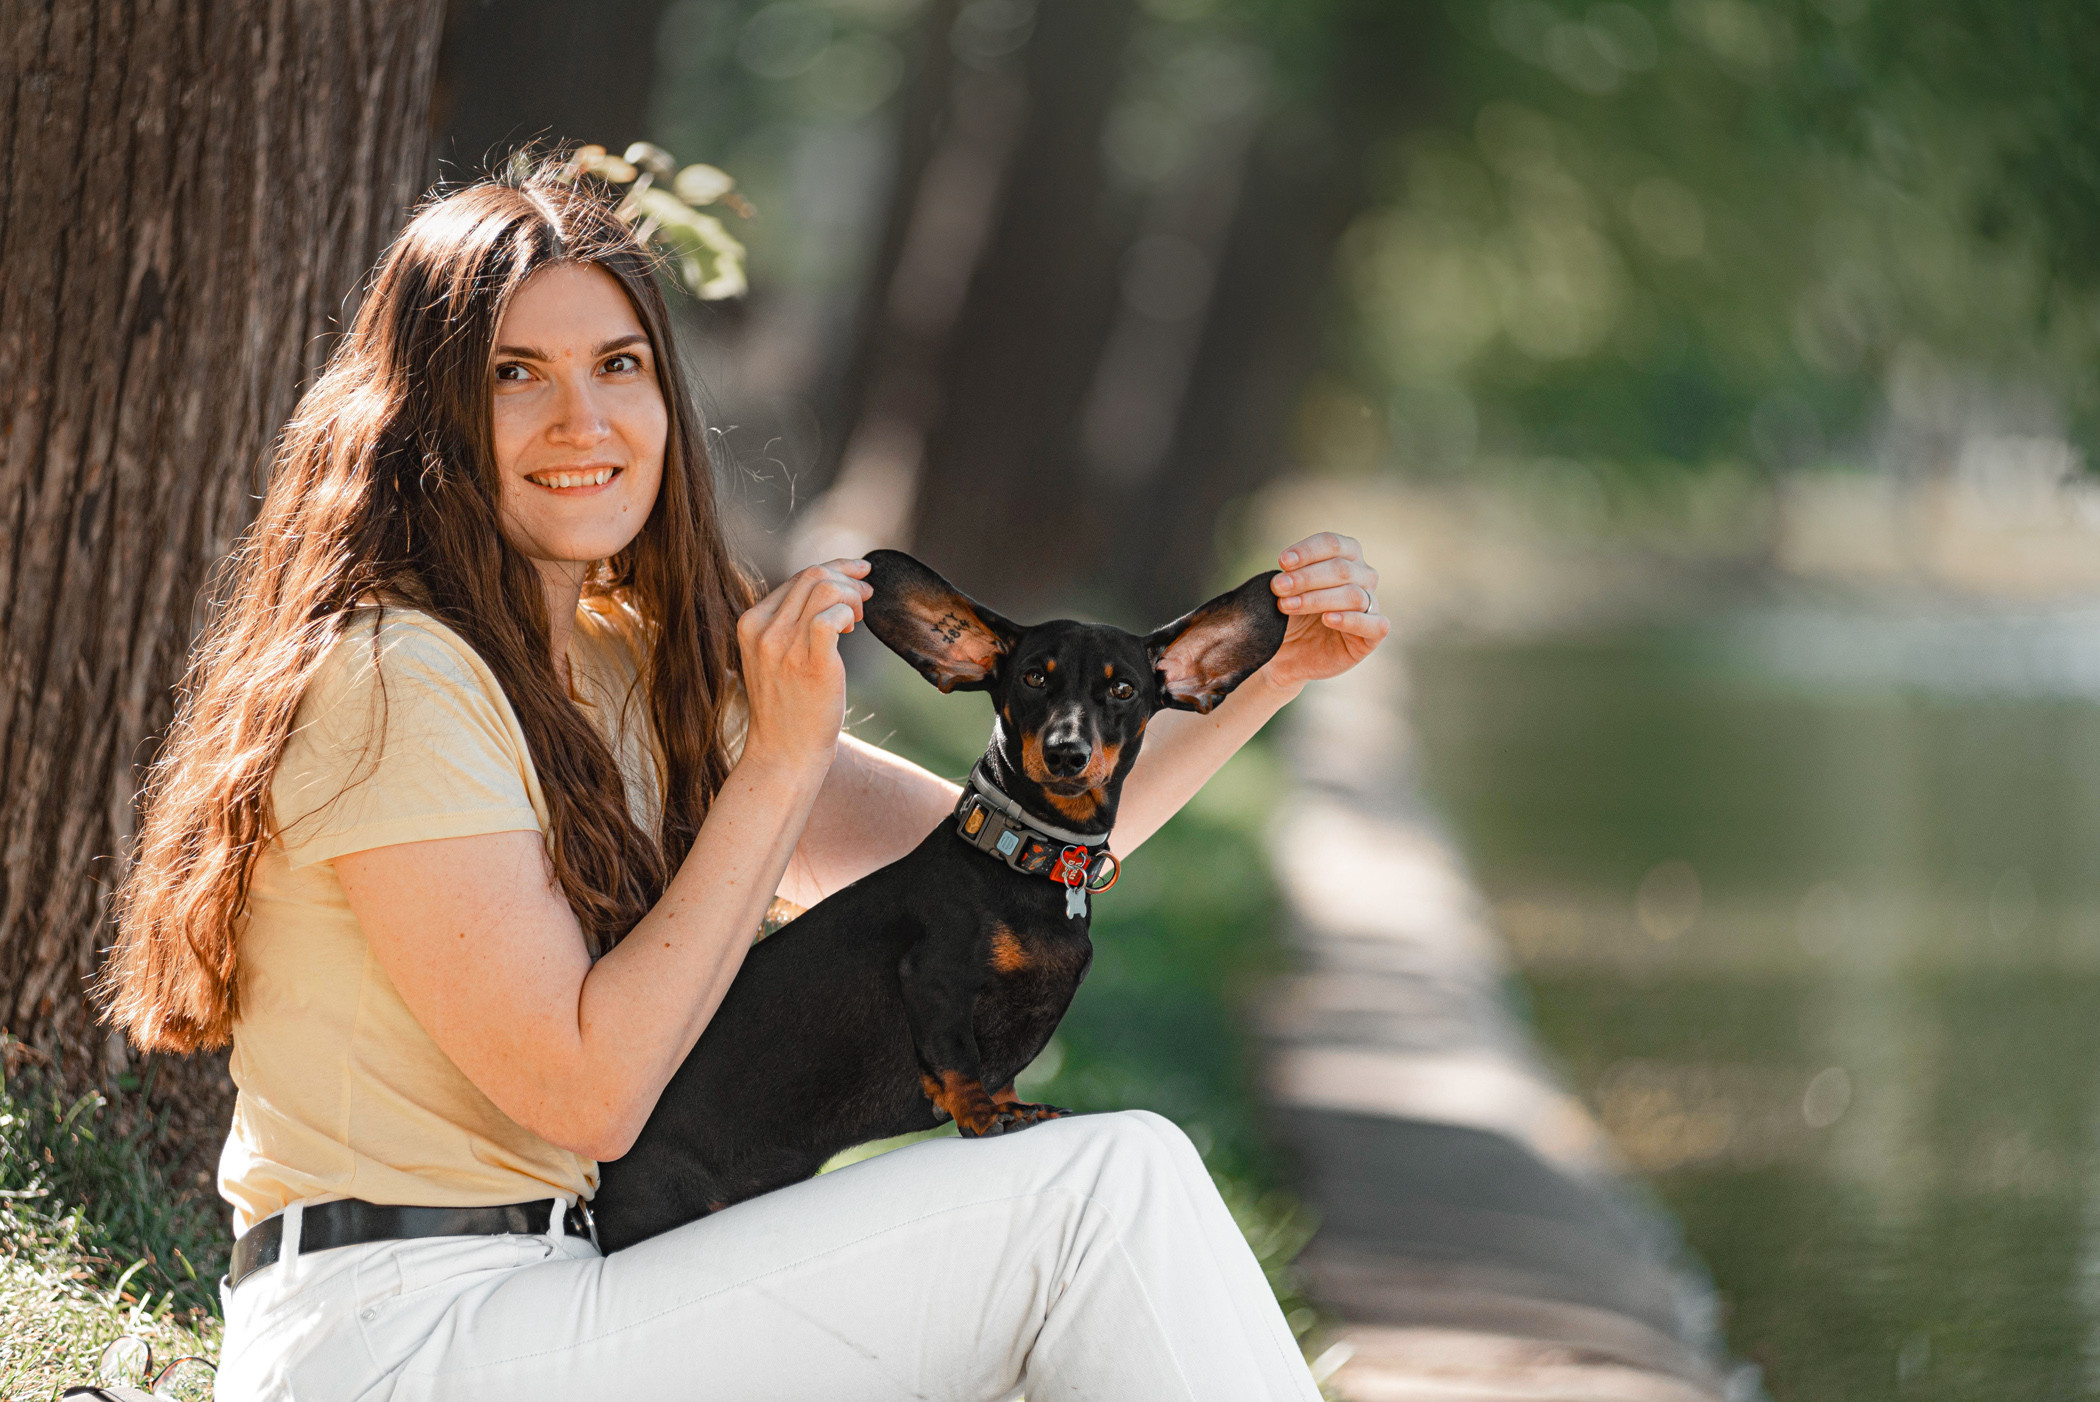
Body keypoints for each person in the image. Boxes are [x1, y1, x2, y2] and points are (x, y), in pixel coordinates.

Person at [104, 161, 1389, 1401]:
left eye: (620, 368)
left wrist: (1271, 674)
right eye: (515, 377)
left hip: (581, 1286)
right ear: (422, 414)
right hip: (404, 1331)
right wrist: (775, 764)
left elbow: (1018, 852)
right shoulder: (393, 679)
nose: (582, 422)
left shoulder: (626, 663)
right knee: (1106, 1193)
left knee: (1111, 1198)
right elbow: (588, 1093)